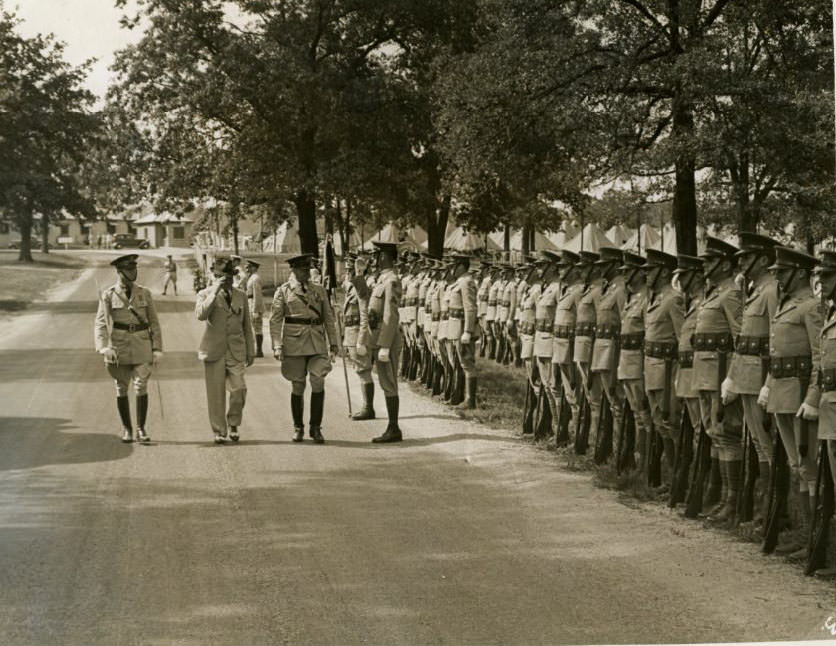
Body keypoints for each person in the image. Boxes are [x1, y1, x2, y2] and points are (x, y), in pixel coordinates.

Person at [759, 246, 822, 558]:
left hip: (799, 395)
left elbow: (819, 357)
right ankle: (804, 535)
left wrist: (812, 398)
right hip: (782, 393)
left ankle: (816, 541)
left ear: (799, 273)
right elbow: (776, 354)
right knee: (797, 466)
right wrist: (768, 386)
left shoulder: (811, 306)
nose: (779, 277)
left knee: (809, 468)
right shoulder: (786, 304)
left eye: (783, 272)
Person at [722, 233, 780, 532]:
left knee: (766, 445)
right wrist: (732, 376)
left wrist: (770, 382)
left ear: (763, 259)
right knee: (757, 443)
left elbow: (776, 342)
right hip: (746, 375)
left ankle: (771, 513)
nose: (741, 261)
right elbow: (743, 340)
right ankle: (762, 510)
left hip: (760, 376)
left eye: (746, 257)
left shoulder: (771, 291)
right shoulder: (755, 290)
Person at [694, 237, 744, 523]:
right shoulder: (713, 293)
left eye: (711, 261)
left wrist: (732, 378)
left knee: (727, 435)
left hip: (720, 374)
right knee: (714, 433)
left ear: (725, 265)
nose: (705, 265)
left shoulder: (731, 294)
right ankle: (721, 497)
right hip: (704, 374)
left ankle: (732, 500)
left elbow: (740, 340)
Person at [95, 254, 163, 443]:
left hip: (142, 343)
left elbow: (154, 322)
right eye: (128, 270)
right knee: (121, 387)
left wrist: (157, 348)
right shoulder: (109, 295)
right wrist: (103, 347)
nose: (132, 273)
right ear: (119, 272)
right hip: (119, 345)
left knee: (141, 385)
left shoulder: (144, 293)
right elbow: (100, 323)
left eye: (134, 269)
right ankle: (127, 429)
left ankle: (141, 428)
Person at [270, 253, 338, 443]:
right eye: (302, 269)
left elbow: (328, 318)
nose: (306, 273)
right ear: (293, 270)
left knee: (318, 380)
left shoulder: (319, 290)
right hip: (294, 344)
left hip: (317, 342)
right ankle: (298, 427)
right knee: (298, 385)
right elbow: (275, 321)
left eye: (308, 269)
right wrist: (277, 345)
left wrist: (333, 343)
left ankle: (315, 427)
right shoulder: (283, 291)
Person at [195, 256, 255, 443]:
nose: (227, 280)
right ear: (215, 276)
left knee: (239, 389)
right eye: (222, 277)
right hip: (214, 350)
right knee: (216, 394)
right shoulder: (205, 294)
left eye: (229, 276)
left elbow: (247, 325)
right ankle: (219, 431)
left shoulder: (241, 295)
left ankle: (234, 423)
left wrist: (250, 350)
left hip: (236, 350)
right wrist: (214, 291)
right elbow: (201, 315)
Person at [643, 249, 685, 487]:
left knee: (672, 425)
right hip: (652, 369)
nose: (647, 274)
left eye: (651, 270)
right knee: (660, 424)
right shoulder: (656, 298)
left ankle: (679, 480)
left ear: (664, 273)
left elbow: (682, 339)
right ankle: (672, 478)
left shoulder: (673, 299)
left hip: (668, 371)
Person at [361, 241, 404, 442]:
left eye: (376, 255)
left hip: (387, 339)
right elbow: (367, 301)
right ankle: (392, 427)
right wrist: (358, 276)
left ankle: (394, 428)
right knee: (385, 381)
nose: (374, 259)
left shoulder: (391, 281)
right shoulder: (381, 280)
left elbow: (390, 315)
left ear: (384, 256)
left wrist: (385, 345)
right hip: (377, 337)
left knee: (389, 382)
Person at [589, 247, 628, 458]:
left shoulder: (620, 289)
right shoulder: (609, 288)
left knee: (617, 402)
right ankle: (610, 447)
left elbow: (625, 323)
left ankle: (620, 451)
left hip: (613, 352)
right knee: (611, 403)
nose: (601, 269)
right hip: (601, 350)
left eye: (605, 265)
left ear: (614, 264)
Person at [617, 251, 652, 471]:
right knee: (637, 414)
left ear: (640, 273)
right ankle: (640, 460)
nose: (625, 275)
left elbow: (648, 335)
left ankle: (647, 463)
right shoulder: (632, 298)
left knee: (644, 415)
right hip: (627, 362)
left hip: (639, 364)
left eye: (629, 271)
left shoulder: (647, 298)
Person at [447, 254, 480, 409]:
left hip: (462, 328)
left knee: (467, 363)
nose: (451, 268)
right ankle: (463, 397)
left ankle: (470, 400)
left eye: (453, 265)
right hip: (456, 327)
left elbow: (470, 307)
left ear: (461, 266)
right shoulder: (460, 281)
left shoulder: (466, 282)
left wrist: (468, 330)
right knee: (462, 362)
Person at [350, 253, 378, 419]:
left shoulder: (364, 284)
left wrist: (361, 339)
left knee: (363, 370)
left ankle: (368, 408)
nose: (350, 269)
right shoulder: (354, 284)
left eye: (354, 267)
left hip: (359, 332)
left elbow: (365, 313)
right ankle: (367, 406)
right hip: (352, 332)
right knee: (360, 370)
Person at [243, 259, 265, 357]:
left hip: (254, 304)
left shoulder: (255, 278)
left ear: (254, 268)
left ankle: (259, 351)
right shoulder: (252, 277)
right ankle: (254, 349)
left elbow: (257, 295)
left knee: (257, 328)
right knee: (253, 327)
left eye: (249, 267)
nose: (247, 269)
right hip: (250, 302)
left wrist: (256, 310)